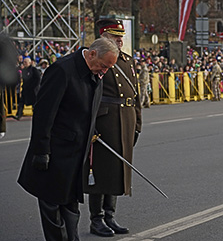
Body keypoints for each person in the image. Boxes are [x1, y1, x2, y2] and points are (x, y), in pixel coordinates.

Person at [17, 38, 119, 241]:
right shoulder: (62, 70)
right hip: (56, 152)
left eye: (109, 68)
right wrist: (41, 150)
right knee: (52, 206)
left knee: (71, 205)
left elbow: (88, 110)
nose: (104, 71)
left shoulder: (95, 72)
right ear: (92, 54)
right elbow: (44, 113)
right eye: (103, 66)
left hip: (76, 152)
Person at [83, 19, 142, 237]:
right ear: (104, 36)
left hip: (125, 119)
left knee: (118, 169)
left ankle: (110, 216)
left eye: (120, 37)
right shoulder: (95, 56)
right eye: (115, 37)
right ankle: (96, 219)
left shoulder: (126, 60)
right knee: (101, 172)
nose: (120, 40)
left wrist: (137, 122)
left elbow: (134, 95)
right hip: (105, 121)